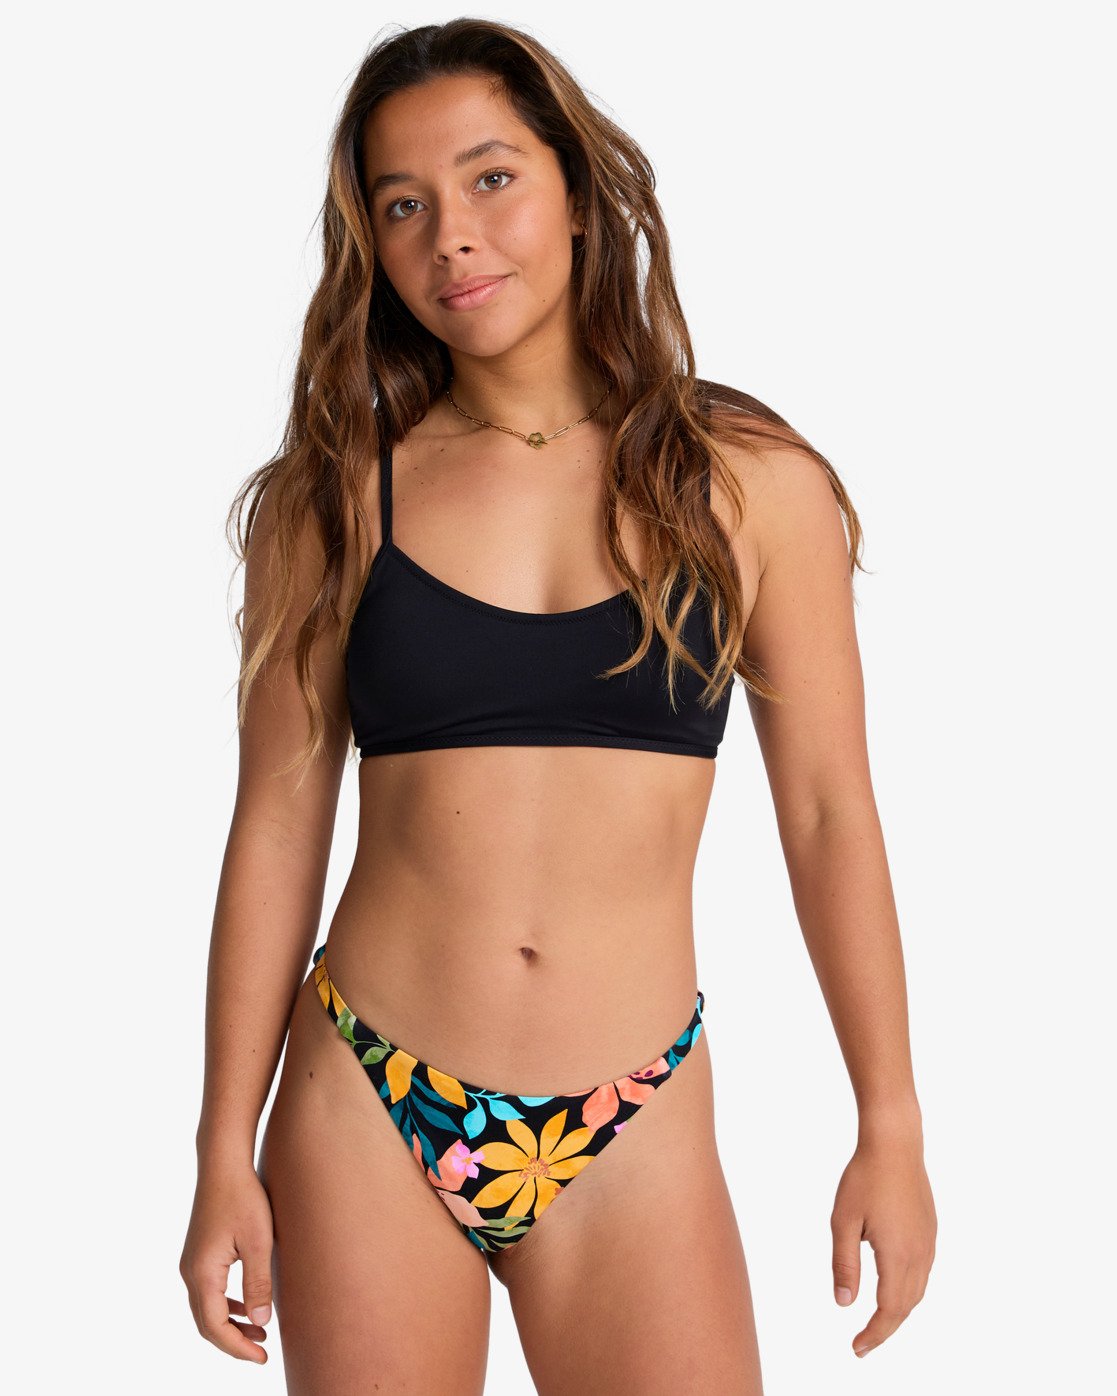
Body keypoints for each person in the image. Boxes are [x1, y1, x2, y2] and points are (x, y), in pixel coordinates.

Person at [179, 18, 936, 1394]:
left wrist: (890, 1119)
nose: (451, 237)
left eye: (490, 179)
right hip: (370, 1094)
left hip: (631, 1111)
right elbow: (276, 828)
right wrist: (220, 1148)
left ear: (578, 194)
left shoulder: (750, 485)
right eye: (401, 206)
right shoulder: (334, 498)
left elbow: (830, 813)